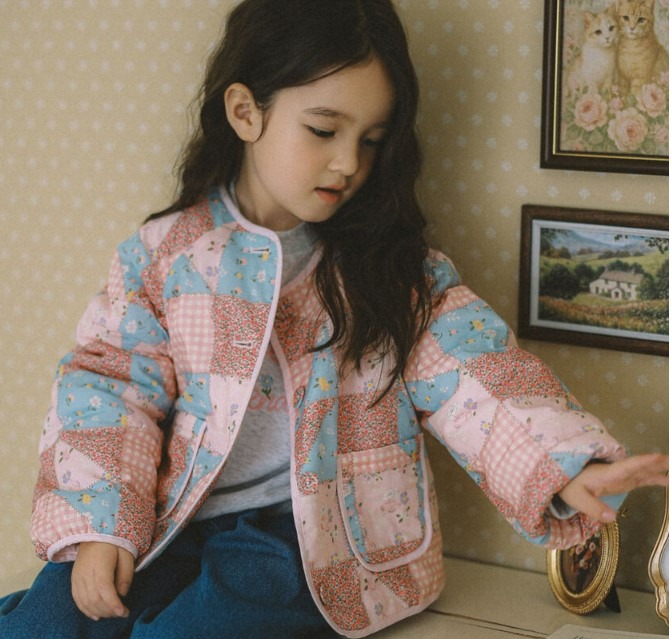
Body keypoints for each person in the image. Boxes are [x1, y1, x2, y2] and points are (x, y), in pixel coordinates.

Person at [0, 0, 667, 637]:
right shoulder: (165, 254)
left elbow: (478, 374)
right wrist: (101, 525)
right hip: (174, 513)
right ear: (245, 112)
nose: (348, 163)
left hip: (306, 534)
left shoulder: (394, 272)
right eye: (323, 130)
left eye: (370, 140)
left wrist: (564, 467)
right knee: (44, 621)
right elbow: (109, 386)